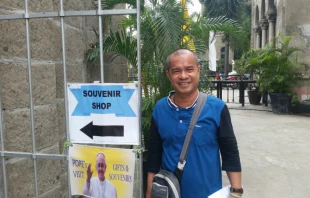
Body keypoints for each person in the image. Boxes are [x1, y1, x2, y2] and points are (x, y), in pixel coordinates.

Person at [146, 49, 242, 198]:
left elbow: (230, 152)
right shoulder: (160, 109)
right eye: (176, 71)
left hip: (207, 193)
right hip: (169, 193)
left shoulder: (217, 108)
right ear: (168, 75)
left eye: (189, 69)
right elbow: (154, 155)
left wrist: (236, 191)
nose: (183, 76)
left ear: (198, 69)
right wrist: (149, 192)